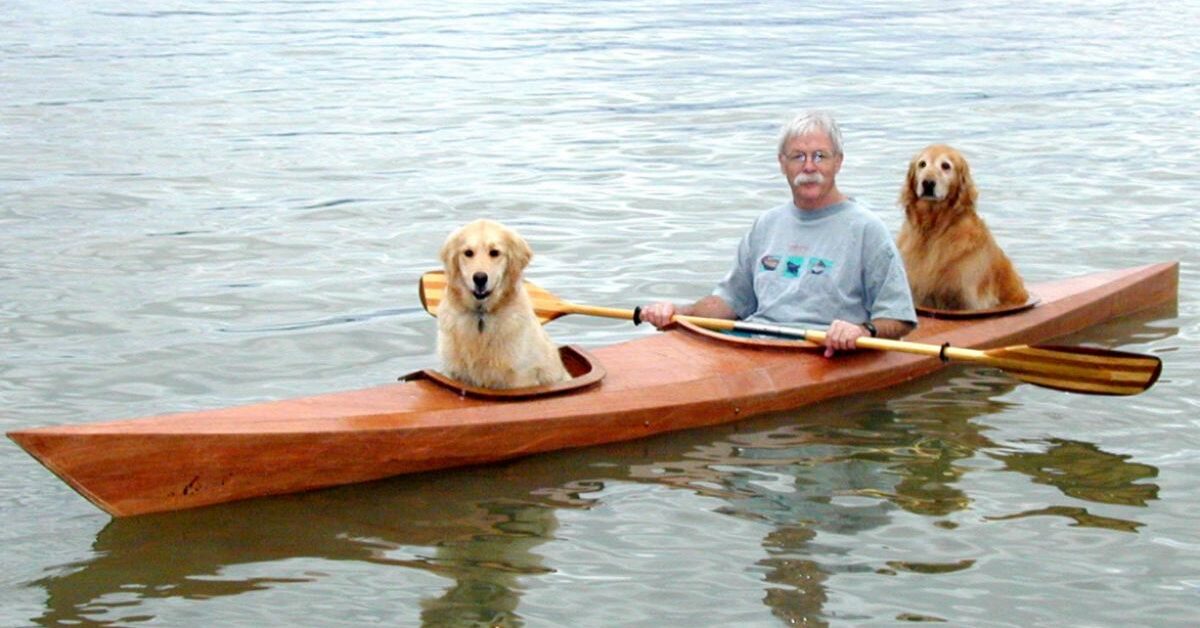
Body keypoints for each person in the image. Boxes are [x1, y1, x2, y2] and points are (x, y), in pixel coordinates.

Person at [640, 111, 916, 357]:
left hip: (823, 351)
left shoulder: (867, 229)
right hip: (756, 344)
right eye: (798, 156)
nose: (809, 167)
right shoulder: (765, 225)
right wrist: (678, 313)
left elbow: (899, 317)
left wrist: (863, 330)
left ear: (838, 162)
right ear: (782, 163)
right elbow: (729, 303)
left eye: (820, 156)